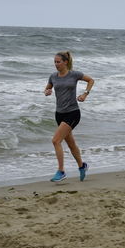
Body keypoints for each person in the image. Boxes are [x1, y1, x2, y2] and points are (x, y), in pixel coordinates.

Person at [44, 51, 94, 182]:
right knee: (71, 144)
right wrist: (47, 91)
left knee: (55, 141)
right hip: (59, 114)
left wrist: (85, 94)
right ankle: (82, 166)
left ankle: (61, 171)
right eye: (54, 62)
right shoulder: (53, 76)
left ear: (65, 62)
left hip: (72, 113)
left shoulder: (74, 74)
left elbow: (91, 80)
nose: (56, 64)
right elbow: (47, 88)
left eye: (58, 62)